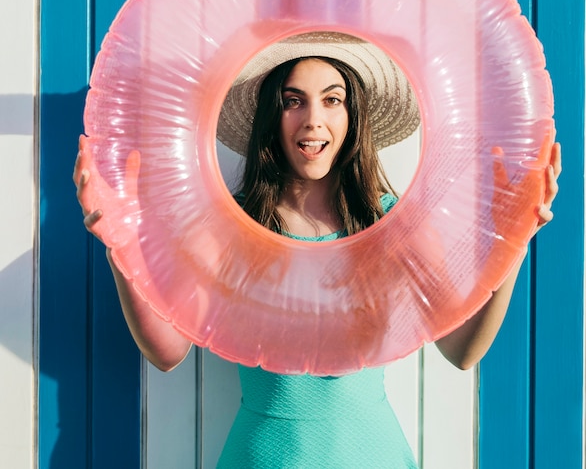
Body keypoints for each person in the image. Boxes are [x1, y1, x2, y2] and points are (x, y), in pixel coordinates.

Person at [75, 32, 561, 468]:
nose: (313, 120)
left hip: (374, 455)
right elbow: (168, 352)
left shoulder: (391, 220)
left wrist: (512, 240)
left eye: (333, 100)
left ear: (353, 116)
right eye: (293, 101)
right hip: (263, 457)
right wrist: (121, 245)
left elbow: (462, 349)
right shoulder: (230, 222)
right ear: (272, 114)